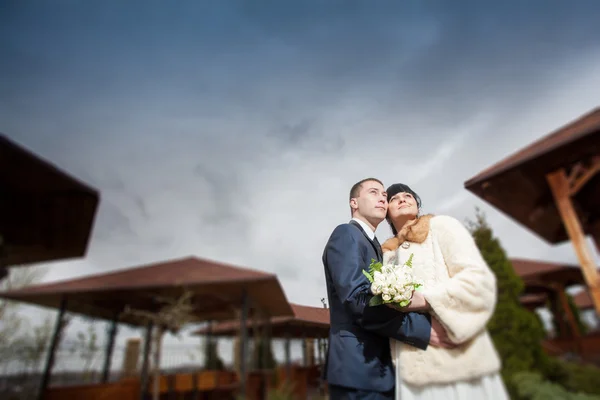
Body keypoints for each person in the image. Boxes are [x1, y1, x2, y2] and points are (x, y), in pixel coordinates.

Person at [322, 178, 455, 400]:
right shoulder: (346, 234)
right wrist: (424, 329)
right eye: (374, 192)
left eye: (384, 195)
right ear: (354, 203)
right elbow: (358, 300)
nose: (382, 198)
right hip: (359, 369)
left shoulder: (377, 247)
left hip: (383, 370)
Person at [381, 183, 509, 400]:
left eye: (408, 195)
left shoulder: (440, 226)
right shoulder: (387, 255)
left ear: (417, 204)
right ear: (387, 212)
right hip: (411, 364)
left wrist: (427, 299)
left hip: (456, 359)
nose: (402, 199)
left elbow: (477, 279)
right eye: (394, 198)